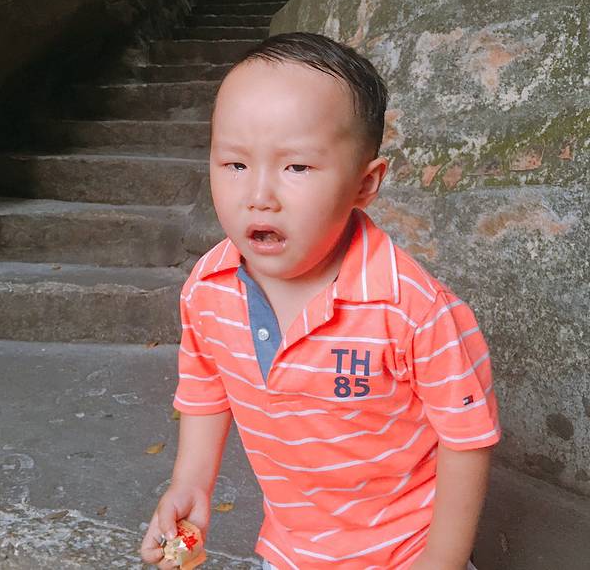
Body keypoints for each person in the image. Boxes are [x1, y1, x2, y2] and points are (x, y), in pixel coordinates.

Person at [141, 32, 500, 570]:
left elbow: (466, 438)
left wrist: (442, 561)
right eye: (235, 164)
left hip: (407, 553)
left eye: (297, 167)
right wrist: (190, 485)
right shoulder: (208, 288)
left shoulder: (414, 309)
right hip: (290, 551)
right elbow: (206, 388)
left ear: (365, 183)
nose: (259, 195)